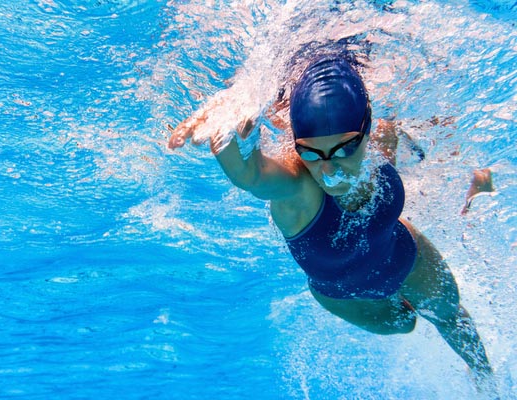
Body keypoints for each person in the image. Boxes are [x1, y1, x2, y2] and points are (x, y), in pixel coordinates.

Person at [168, 53, 496, 393]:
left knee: (450, 314)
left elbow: (417, 146)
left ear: (366, 131)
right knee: (404, 323)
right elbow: (251, 174)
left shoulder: (381, 138)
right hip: (345, 294)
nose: (329, 170)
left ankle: (490, 386)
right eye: (311, 152)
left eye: (344, 150)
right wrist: (228, 129)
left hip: (402, 254)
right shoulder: (298, 188)